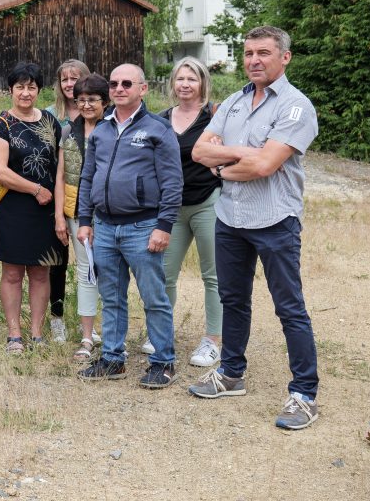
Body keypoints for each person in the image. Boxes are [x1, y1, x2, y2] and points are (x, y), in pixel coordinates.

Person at [188, 26, 321, 430]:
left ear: (285, 57)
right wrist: (245, 153)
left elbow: (266, 166)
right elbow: (197, 151)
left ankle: (304, 394)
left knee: (289, 308)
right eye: (248, 53)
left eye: (263, 52)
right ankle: (231, 374)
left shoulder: (296, 107)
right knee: (233, 299)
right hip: (231, 218)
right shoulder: (232, 101)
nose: (254, 60)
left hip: (274, 220)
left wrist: (224, 162)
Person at [75, 64, 181, 388]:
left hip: (142, 227)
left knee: (154, 297)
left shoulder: (157, 129)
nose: (119, 88)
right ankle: (112, 358)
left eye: (126, 83)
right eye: (114, 84)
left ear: (142, 89)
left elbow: (173, 181)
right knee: (112, 296)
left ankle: (163, 362)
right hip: (105, 228)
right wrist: (84, 219)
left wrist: (164, 226)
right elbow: (88, 176)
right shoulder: (102, 131)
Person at [0, 61, 66, 354]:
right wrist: (35, 190)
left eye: (31, 87)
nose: (25, 92)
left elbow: (59, 167)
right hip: (12, 207)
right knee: (12, 274)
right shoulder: (1, 124)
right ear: (10, 90)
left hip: (46, 209)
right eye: (20, 86)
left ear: (38, 90)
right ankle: (14, 335)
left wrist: (55, 202)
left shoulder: (50, 121)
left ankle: (36, 333)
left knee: (41, 272)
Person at [152, 56, 222, 368]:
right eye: (180, 79)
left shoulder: (216, 117)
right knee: (164, 273)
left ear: (202, 84)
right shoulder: (160, 119)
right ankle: (160, 333)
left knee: (214, 275)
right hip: (172, 209)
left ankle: (213, 340)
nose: (185, 84)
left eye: (191, 79)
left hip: (208, 202)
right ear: (172, 84)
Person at [58, 73, 109, 362]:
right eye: (81, 100)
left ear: (105, 102)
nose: (87, 105)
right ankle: (87, 336)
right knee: (86, 273)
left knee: (111, 274)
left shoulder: (115, 129)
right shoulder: (69, 132)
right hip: (77, 213)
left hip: (112, 213)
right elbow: (61, 174)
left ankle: (112, 331)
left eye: (93, 99)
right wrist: (59, 216)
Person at [44, 58, 90, 343]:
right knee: (57, 262)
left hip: (88, 198)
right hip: (56, 194)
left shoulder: (97, 111)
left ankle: (91, 322)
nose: (70, 83)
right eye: (65, 79)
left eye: (75, 78)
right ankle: (57, 318)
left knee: (91, 264)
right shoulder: (50, 115)